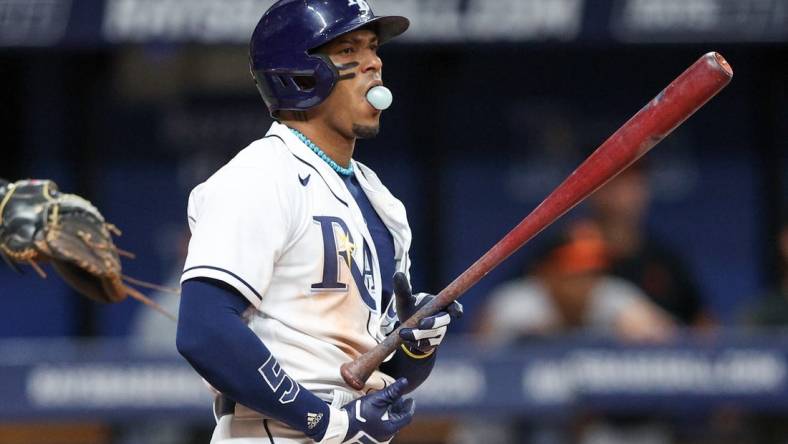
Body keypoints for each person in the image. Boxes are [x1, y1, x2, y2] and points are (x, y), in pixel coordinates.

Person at [175, 2, 462, 443]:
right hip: (273, 431)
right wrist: (326, 421)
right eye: (349, 50)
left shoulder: (380, 200)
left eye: (372, 48)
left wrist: (413, 344)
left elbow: (380, 370)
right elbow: (205, 331)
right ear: (300, 74)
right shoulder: (259, 177)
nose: (374, 63)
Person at [478, 221, 675, 344]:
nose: (586, 283)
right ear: (546, 274)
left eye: (593, 272)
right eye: (575, 273)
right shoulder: (517, 305)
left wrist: (645, 335)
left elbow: (674, 342)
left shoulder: (611, 295)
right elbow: (476, 368)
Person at [589, 163, 713, 327]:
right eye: (615, 184)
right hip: (583, 351)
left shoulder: (664, 257)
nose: (625, 195)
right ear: (594, 191)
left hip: (663, 350)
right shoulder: (566, 251)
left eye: (633, 184)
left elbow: (702, 321)